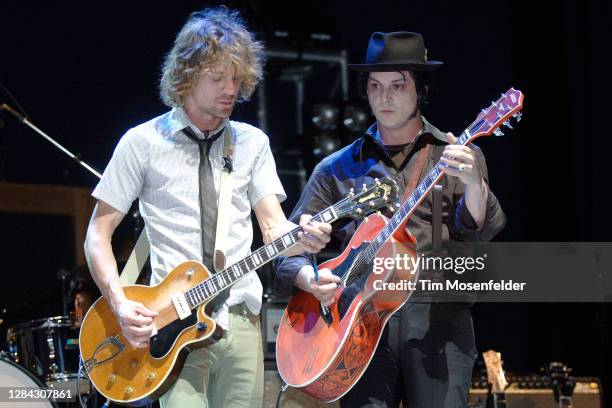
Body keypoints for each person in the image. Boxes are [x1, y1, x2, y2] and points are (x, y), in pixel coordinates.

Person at [83, 7, 331, 408]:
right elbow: (98, 233)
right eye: (217, 77)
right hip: (170, 325)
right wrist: (118, 301)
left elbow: (273, 228)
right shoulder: (142, 143)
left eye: (237, 77)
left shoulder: (252, 143)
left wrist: (304, 238)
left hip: (241, 321)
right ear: (186, 76)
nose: (230, 88)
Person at [274, 31, 506, 407]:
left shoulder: (457, 156)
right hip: (357, 329)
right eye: (376, 86)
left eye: (398, 85)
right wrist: (310, 277)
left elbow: (479, 231)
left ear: (421, 90)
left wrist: (474, 183)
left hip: (437, 323)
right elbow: (287, 254)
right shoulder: (335, 169)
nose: (385, 96)